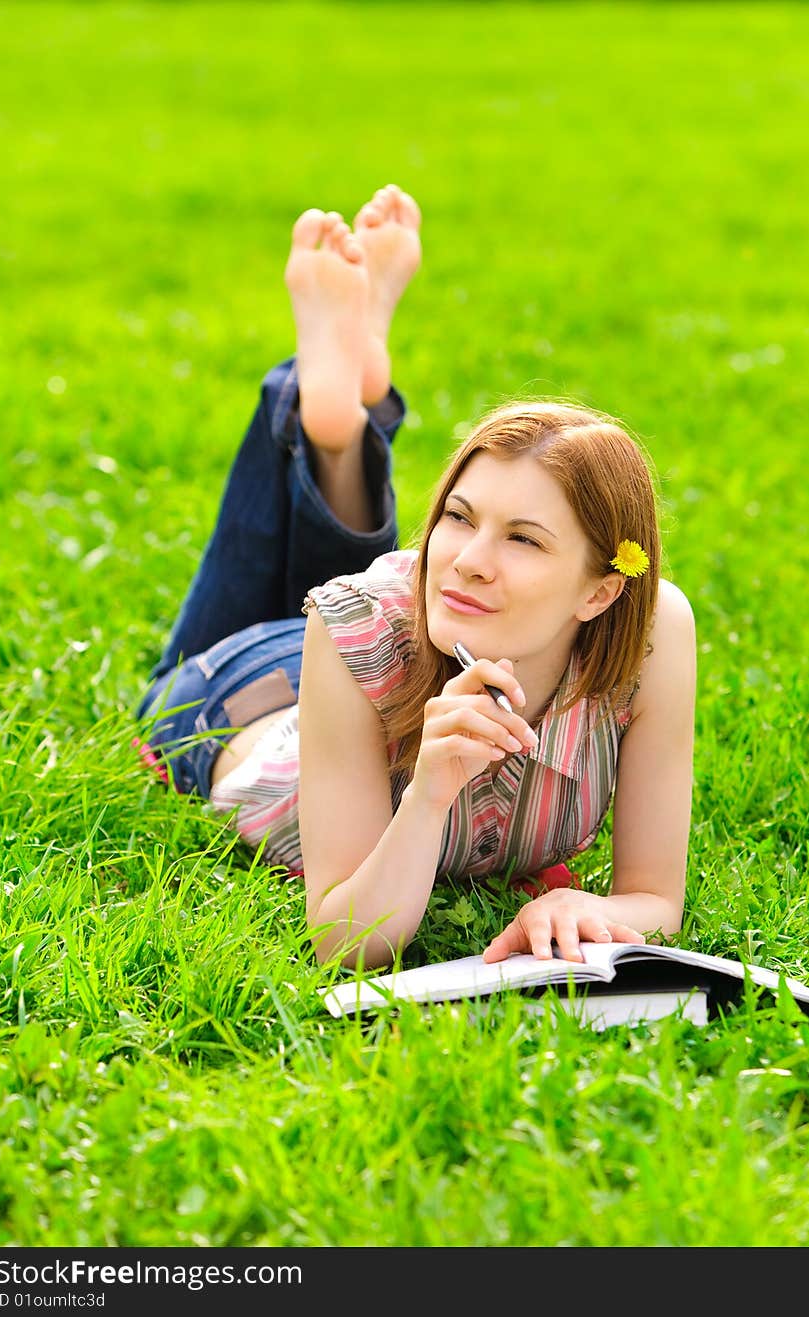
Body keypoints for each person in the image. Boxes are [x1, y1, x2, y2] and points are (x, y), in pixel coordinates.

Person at [136, 184, 697, 973]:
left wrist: (592, 906)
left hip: (371, 650)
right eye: (458, 516)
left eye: (525, 538)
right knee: (343, 608)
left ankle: (342, 412)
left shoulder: (651, 631)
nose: (465, 555)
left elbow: (652, 897)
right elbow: (345, 942)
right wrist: (429, 789)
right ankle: (322, 413)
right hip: (238, 699)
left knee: (368, 606)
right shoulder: (355, 617)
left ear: (601, 590)